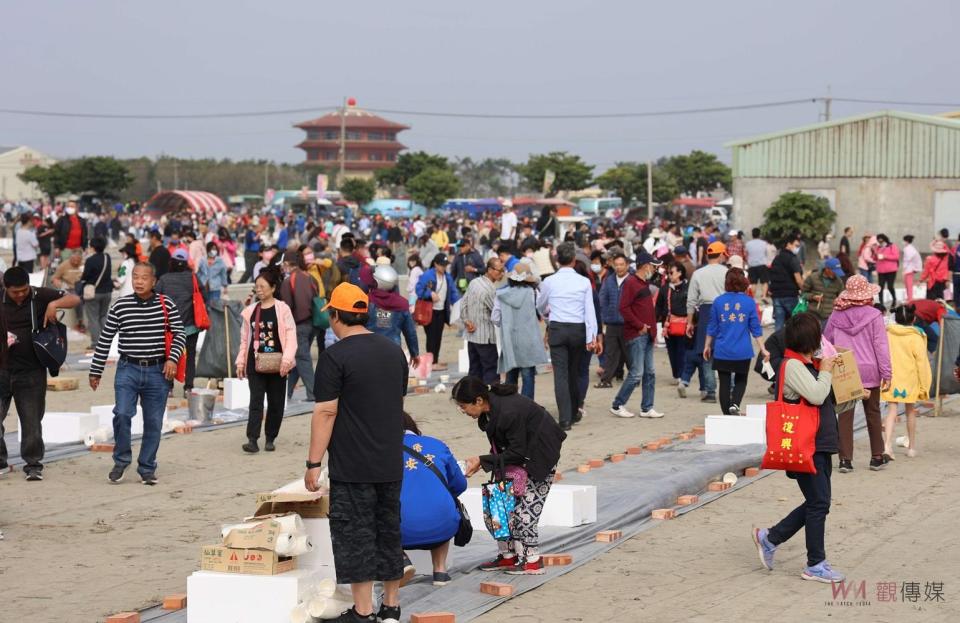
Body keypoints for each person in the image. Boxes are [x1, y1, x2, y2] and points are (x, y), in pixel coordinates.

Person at [303, 283, 409, 623]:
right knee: (389, 532)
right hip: (390, 459)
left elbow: (326, 412)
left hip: (353, 464)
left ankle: (364, 612)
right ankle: (391, 607)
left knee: (356, 536)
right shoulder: (394, 351)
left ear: (336, 315)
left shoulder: (335, 356)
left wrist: (313, 463)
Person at [752, 312, 844, 584]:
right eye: (818, 335)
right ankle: (815, 563)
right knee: (819, 503)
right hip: (807, 445)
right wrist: (825, 371)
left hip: (819, 443)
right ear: (809, 339)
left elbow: (827, 398)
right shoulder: (792, 366)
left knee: (818, 502)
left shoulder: (808, 363)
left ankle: (770, 537)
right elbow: (816, 395)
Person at [455, 376, 566, 576]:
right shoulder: (490, 409)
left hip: (540, 455)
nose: (462, 411)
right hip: (516, 455)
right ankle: (509, 556)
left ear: (478, 401)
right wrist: (486, 461)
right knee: (500, 505)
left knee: (525, 510)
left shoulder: (508, 411)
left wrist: (483, 460)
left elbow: (518, 451)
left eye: (463, 406)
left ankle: (532, 560)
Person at [89, 263, 184, 486]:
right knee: (122, 413)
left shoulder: (166, 304)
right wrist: (96, 370)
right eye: (135, 277)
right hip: (127, 370)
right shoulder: (120, 306)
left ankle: (147, 467)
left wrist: (172, 358)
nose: (139, 281)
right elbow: (105, 339)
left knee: (153, 422)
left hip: (158, 372)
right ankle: (121, 460)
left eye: (144, 278)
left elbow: (179, 333)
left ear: (153, 281)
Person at [0, 267, 81, 480]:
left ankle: (33, 464)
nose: (20, 295)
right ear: (5, 288)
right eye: (14, 292)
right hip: (2, 370)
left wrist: (54, 304)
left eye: (23, 290)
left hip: (31, 370)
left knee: (31, 420)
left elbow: (74, 299)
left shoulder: (39, 295)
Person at [823, 275, 891, 473]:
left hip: (845, 369)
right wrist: (887, 372)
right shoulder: (874, 315)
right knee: (873, 412)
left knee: (845, 414)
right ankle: (877, 457)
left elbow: (826, 341)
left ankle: (845, 460)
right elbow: (881, 347)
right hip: (870, 369)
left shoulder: (836, 315)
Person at [399, 412, 468, 587]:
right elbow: (459, 485)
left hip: (402, 531)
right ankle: (440, 571)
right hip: (444, 528)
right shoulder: (437, 444)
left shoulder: (381, 451)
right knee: (442, 504)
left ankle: (401, 560)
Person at [536, 242, 600, 431]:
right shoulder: (584, 282)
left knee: (561, 375)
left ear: (557, 261)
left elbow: (540, 305)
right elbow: (590, 311)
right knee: (574, 372)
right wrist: (592, 337)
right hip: (578, 330)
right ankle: (573, 411)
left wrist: (548, 317)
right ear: (573, 260)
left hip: (558, 328)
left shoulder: (549, 281)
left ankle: (565, 419)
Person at [236, 267, 297, 453]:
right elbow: (244, 339)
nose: (259, 289)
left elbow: (291, 335)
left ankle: (271, 437)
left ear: (273, 287)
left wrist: (287, 360)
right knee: (255, 401)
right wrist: (240, 361)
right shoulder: (251, 311)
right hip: (255, 362)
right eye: (257, 286)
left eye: (262, 286)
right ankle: (252, 439)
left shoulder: (283, 309)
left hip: (279, 363)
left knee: (276, 402)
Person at [703, 268, 769, 416]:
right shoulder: (749, 302)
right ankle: (735, 404)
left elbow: (712, 327)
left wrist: (707, 345)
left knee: (724, 383)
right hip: (742, 351)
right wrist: (763, 348)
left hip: (722, 350)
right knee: (741, 380)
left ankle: (727, 415)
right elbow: (755, 328)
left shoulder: (718, 301)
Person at [609, 248, 662, 419]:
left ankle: (647, 407)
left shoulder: (642, 284)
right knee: (637, 373)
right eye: (653, 267)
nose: (655, 270)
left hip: (646, 334)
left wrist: (652, 332)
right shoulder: (631, 283)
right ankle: (618, 404)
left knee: (650, 372)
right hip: (637, 334)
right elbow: (623, 308)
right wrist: (640, 325)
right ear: (646, 266)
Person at [881, 304, 931, 460]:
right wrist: (925, 386)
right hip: (910, 380)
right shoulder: (916, 336)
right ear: (913, 319)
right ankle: (911, 447)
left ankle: (887, 446)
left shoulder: (887, 334)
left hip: (891, 378)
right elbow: (922, 363)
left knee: (891, 411)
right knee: (910, 411)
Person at [492, 263, 548, 399]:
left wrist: (506, 325)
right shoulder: (533, 293)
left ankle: (511, 406)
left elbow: (495, 318)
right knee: (528, 377)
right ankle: (527, 407)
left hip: (510, 341)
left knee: (511, 377)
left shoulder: (501, 295)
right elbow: (543, 311)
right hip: (528, 341)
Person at [682, 241, 728, 403]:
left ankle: (710, 392)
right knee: (727, 353)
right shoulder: (727, 272)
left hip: (706, 314)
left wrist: (689, 323)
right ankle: (729, 388)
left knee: (706, 354)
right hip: (725, 311)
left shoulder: (698, 273)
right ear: (722, 255)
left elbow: (691, 301)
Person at [155, 249, 201, 396]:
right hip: (190, 326)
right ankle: (188, 388)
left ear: (172, 262)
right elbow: (203, 296)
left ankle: (169, 388)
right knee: (190, 357)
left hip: (170, 328)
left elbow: (155, 299)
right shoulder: (192, 278)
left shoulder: (163, 279)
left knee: (169, 356)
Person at [279, 252, 319, 402]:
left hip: (299, 324)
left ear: (288, 265)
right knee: (299, 358)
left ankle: (313, 393)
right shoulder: (308, 277)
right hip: (312, 323)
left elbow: (287, 307)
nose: (283, 268)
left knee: (302, 359)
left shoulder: (289, 281)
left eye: (284, 265)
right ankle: (287, 392)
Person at [461, 258, 504, 384]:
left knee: (474, 371)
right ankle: (491, 400)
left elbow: (463, 304)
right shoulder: (490, 289)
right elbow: (496, 314)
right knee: (491, 371)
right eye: (499, 271)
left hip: (472, 335)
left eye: (502, 271)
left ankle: (472, 400)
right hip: (486, 337)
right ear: (490, 270)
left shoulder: (474, 282)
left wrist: (466, 321)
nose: (501, 274)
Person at [367, 264, 420, 366]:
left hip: (369, 352)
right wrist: (414, 353)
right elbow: (410, 332)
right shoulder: (402, 304)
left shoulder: (366, 301)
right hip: (393, 352)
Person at [415, 253, 460, 371]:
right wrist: (429, 294)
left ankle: (435, 360)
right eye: (442, 265)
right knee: (431, 337)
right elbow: (418, 290)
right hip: (429, 311)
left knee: (438, 337)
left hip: (441, 311)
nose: (444, 268)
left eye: (445, 265)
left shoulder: (447, 277)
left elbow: (453, 292)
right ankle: (431, 362)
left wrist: (458, 303)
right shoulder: (427, 275)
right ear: (435, 264)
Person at [595, 252, 630, 389]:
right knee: (610, 352)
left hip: (628, 323)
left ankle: (635, 377)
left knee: (629, 353)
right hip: (611, 322)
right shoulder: (608, 280)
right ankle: (606, 380)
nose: (619, 267)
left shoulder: (632, 280)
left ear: (627, 265)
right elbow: (602, 301)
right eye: (617, 265)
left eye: (622, 265)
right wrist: (602, 320)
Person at [656, 261, 690, 385]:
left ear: (680, 273)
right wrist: (656, 321)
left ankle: (682, 374)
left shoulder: (688, 287)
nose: (669, 275)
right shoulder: (664, 289)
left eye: (672, 272)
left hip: (684, 324)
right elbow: (659, 306)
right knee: (671, 350)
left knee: (682, 350)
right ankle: (676, 374)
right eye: (668, 273)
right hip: (668, 325)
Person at [81, 237, 114, 351]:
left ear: (93, 247)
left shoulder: (90, 260)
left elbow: (85, 276)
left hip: (94, 292)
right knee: (103, 316)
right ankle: (107, 341)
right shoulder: (107, 257)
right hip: (107, 291)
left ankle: (96, 343)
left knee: (93, 318)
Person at [768, 237, 803, 331]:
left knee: (779, 323)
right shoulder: (792, 259)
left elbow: (771, 275)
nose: (797, 248)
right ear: (788, 244)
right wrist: (804, 291)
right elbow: (798, 279)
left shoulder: (777, 258)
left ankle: (778, 343)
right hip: (790, 295)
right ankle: (793, 343)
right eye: (796, 245)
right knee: (794, 324)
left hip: (776, 295)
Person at [800, 257, 845, 326]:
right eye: (834, 271)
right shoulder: (813, 277)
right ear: (827, 269)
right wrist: (813, 297)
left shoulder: (839, 282)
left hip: (828, 317)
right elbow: (803, 294)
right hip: (812, 315)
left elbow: (842, 299)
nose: (836, 274)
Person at [874, 234, 899, 308]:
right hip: (881, 271)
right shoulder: (878, 247)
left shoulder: (892, 246)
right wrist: (875, 254)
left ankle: (894, 299)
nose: (880, 242)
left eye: (881, 240)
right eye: (879, 240)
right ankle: (881, 303)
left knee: (890, 286)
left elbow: (896, 256)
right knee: (880, 287)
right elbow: (875, 258)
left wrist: (885, 256)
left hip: (891, 270)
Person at [745, 228, 769, 302]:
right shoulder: (764, 243)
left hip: (752, 265)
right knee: (764, 281)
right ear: (759, 234)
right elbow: (766, 253)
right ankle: (764, 296)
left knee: (753, 283)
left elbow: (746, 254)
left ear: (752, 234)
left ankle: (752, 298)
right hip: (762, 264)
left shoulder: (748, 244)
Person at [901, 235, 922, 301]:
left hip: (909, 269)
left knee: (909, 284)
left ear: (906, 241)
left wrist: (904, 269)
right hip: (909, 268)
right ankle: (909, 297)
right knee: (907, 284)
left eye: (904, 240)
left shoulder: (908, 249)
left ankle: (910, 298)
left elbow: (907, 259)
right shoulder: (910, 248)